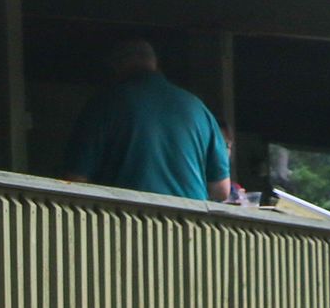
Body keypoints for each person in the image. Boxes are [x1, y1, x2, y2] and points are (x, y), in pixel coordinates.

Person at [60, 40, 233, 203]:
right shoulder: (198, 108)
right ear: (155, 63)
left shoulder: (104, 104)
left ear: (117, 65)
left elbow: (76, 179)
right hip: (191, 225)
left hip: (127, 222)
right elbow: (221, 189)